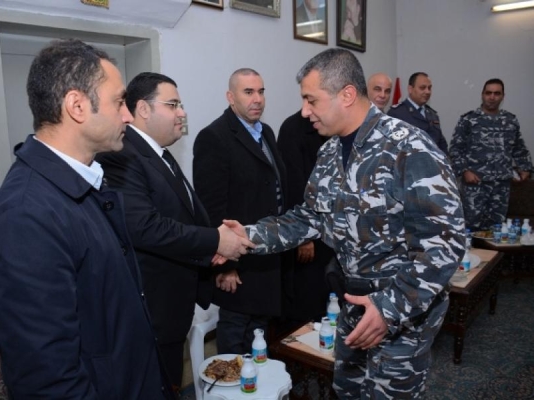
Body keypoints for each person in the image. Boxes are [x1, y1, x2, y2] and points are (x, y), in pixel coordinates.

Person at [225, 49, 464, 399]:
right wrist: (246, 235)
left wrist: (389, 307)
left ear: (347, 94)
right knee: (347, 390)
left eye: (311, 100)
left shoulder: (409, 147)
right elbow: (309, 217)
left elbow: (445, 243)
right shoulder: (330, 151)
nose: (305, 111)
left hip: (400, 312)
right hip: (352, 301)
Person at [0, 39, 175, 399]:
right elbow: (49, 381)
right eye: (118, 102)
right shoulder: (24, 218)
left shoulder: (83, 181)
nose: (128, 116)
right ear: (77, 106)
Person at [95, 72, 253, 391]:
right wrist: (216, 241)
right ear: (143, 109)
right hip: (151, 308)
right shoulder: (122, 155)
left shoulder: (159, 153)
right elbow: (144, 227)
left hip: (172, 305)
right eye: (173, 105)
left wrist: (214, 249)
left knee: (169, 383)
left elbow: (186, 215)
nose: (182, 113)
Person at [193, 68, 287, 354]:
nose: (257, 99)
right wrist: (224, 266)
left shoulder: (266, 132)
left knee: (258, 335)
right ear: (230, 97)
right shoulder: (214, 137)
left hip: (265, 254)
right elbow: (210, 208)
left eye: (261, 91)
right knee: (235, 334)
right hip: (236, 260)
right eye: (248, 92)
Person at [449, 78, 533, 231]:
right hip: (475, 185)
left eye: (496, 93)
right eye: (488, 93)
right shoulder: (469, 120)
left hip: (501, 186)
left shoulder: (510, 120)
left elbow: (519, 148)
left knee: (497, 230)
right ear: (482, 95)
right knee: (471, 229)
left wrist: (525, 167)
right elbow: (455, 149)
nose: (492, 97)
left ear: (502, 96)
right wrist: (464, 171)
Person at [277, 109, 334, 323]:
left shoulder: (335, 125)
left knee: (330, 301)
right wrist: (304, 237)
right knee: (307, 302)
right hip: (308, 236)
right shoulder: (293, 129)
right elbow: (293, 186)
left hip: (331, 232)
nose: (307, 108)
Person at [388, 72, 448, 153]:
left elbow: (442, 145)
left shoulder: (433, 115)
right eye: (422, 88)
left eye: (429, 88)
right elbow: (391, 148)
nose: (427, 92)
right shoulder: (397, 113)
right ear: (410, 89)